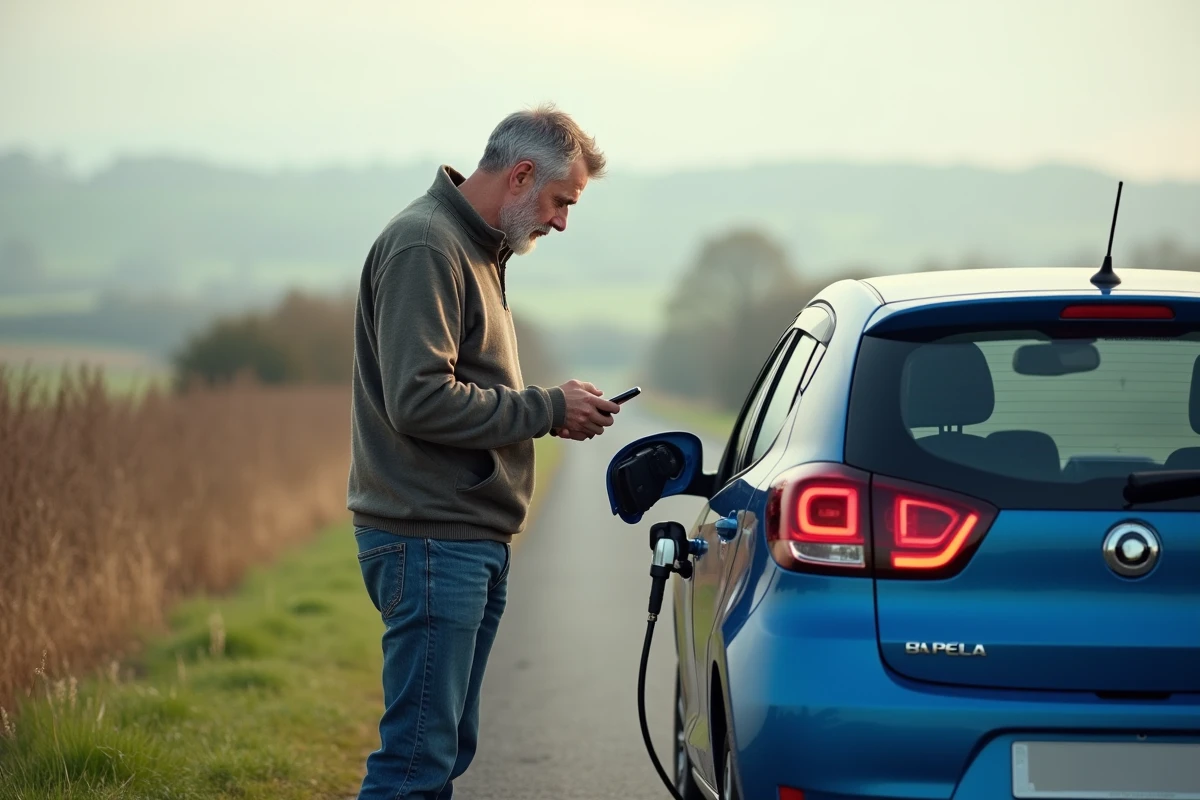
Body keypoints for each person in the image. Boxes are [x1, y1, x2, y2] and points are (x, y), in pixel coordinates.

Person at [347, 105, 620, 800]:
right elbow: (420, 400)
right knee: (414, 766)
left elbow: (458, 386)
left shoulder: (477, 248)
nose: (561, 221)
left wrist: (548, 407)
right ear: (522, 174)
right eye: (562, 201)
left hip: (463, 538)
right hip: (430, 538)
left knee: (441, 753)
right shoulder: (427, 246)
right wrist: (547, 408)